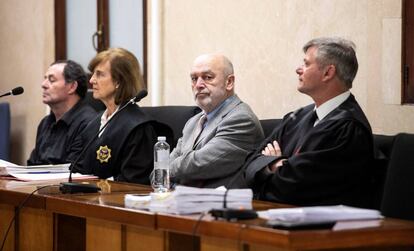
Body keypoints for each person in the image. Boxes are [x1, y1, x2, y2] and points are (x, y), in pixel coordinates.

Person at [244, 37, 374, 207]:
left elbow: (295, 188)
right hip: (277, 215)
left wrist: (269, 166)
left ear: (328, 73)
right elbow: (249, 164)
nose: (298, 69)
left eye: (306, 64)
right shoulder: (297, 117)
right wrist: (277, 166)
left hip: (323, 227)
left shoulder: (348, 128)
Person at [169, 53, 264, 188]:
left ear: (229, 82)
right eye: (194, 78)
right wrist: (163, 171)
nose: (198, 85)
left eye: (207, 77)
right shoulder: (193, 122)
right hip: (184, 203)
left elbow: (198, 165)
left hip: (222, 206)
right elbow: (157, 174)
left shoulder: (241, 119)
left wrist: (164, 171)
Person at [74, 48, 157, 184]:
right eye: (93, 74)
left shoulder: (139, 128)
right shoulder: (93, 124)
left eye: (100, 74)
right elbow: (79, 168)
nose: (92, 80)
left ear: (119, 81)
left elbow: (133, 181)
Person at [27, 60, 97, 165]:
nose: (43, 85)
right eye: (45, 79)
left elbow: (73, 171)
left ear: (72, 87)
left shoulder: (89, 123)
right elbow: (32, 164)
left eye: (51, 80)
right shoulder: (45, 123)